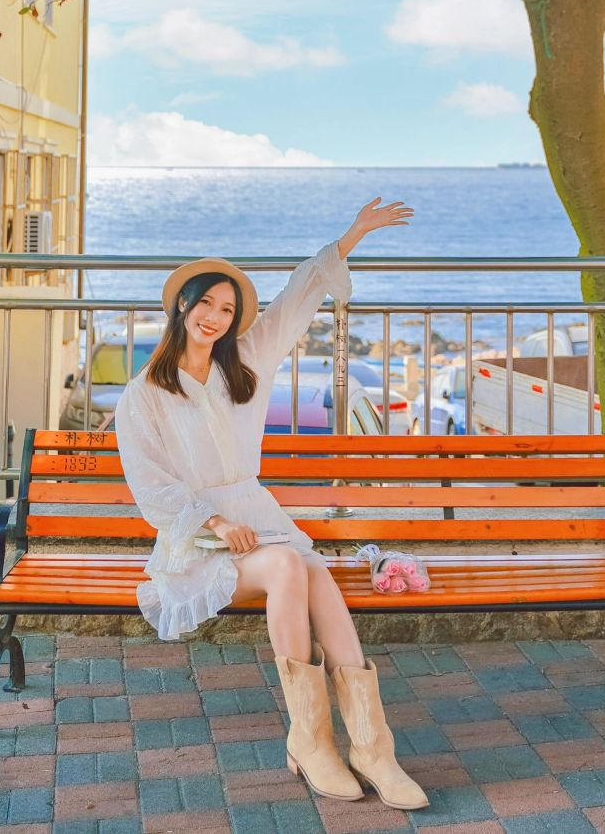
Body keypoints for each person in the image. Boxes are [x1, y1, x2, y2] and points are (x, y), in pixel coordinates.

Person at [113, 197, 428, 811]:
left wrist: (351, 237)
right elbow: (151, 485)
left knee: (314, 571)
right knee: (289, 565)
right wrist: (213, 520)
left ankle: (372, 748)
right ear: (182, 306)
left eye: (227, 309)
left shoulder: (246, 365)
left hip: (259, 523)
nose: (214, 317)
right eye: (205, 303)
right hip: (198, 545)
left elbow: (296, 298)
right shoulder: (144, 393)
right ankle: (309, 740)